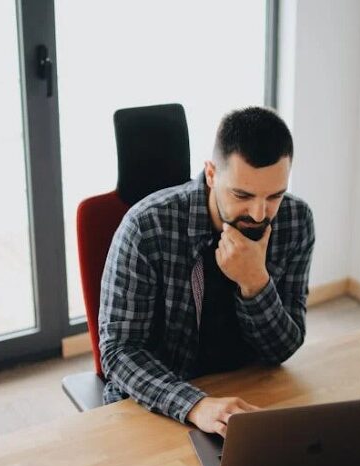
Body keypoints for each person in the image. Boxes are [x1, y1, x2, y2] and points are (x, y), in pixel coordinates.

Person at [99, 106, 315, 437]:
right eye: (242, 194)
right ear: (211, 174)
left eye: (274, 196)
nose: (259, 214)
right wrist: (195, 405)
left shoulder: (296, 221)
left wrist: (255, 282)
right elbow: (118, 353)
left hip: (246, 397)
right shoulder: (146, 227)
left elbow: (282, 350)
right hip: (158, 404)